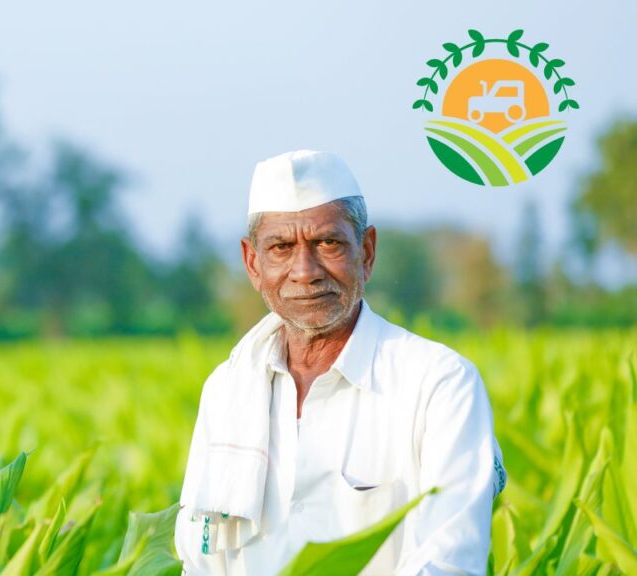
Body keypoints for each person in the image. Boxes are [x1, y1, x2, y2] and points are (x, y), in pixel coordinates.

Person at [174, 150, 506, 575]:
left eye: (327, 243)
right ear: (253, 263)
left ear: (366, 251)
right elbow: (200, 562)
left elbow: (449, 561)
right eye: (280, 247)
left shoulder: (438, 383)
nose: (304, 271)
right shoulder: (227, 390)